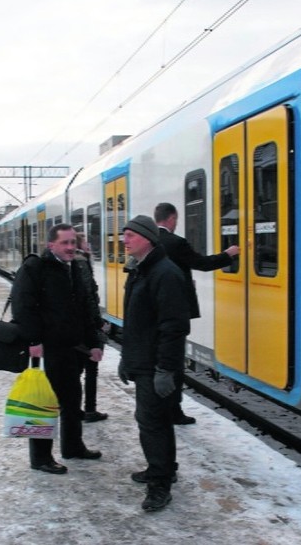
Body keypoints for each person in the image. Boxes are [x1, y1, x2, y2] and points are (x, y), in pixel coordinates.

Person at [10, 223, 104, 475]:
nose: (71, 247)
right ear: (51, 245)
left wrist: (93, 343)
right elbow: (22, 305)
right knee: (45, 403)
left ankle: (73, 446)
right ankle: (40, 458)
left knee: (73, 399)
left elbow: (84, 308)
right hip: (47, 349)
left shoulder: (72, 268)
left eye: (73, 242)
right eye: (65, 243)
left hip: (71, 347)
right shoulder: (35, 267)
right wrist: (33, 341)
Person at [118, 215, 190, 512]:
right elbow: (136, 322)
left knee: (152, 423)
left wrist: (165, 369)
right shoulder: (141, 270)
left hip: (155, 363)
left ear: (147, 238)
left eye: (130, 235)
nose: (125, 239)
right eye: (124, 235)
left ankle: (159, 484)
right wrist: (126, 358)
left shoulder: (164, 273)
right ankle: (164, 468)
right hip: (143, 358)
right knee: (155, 421)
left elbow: (174, 326)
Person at [153, 202, 239, 425]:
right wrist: (228, 255)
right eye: (176, 219)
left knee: (160, 361)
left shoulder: (149, 241)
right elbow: (201, 263)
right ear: (172, 219)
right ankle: (173, 410)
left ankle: (161, 405)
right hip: (175, 312)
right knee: (174, 363)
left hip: (154, 310)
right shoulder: (176, 242)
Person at [74, 232, 108, 423]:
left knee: (79, 369)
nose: (89, 245)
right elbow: (88, 296)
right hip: (86, 327)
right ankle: (89, 409)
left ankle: (77, 408)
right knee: (90, 368)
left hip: (79, 325)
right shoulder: (81, 261)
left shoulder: (75, 261)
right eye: (86, 241)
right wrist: (98, 322)